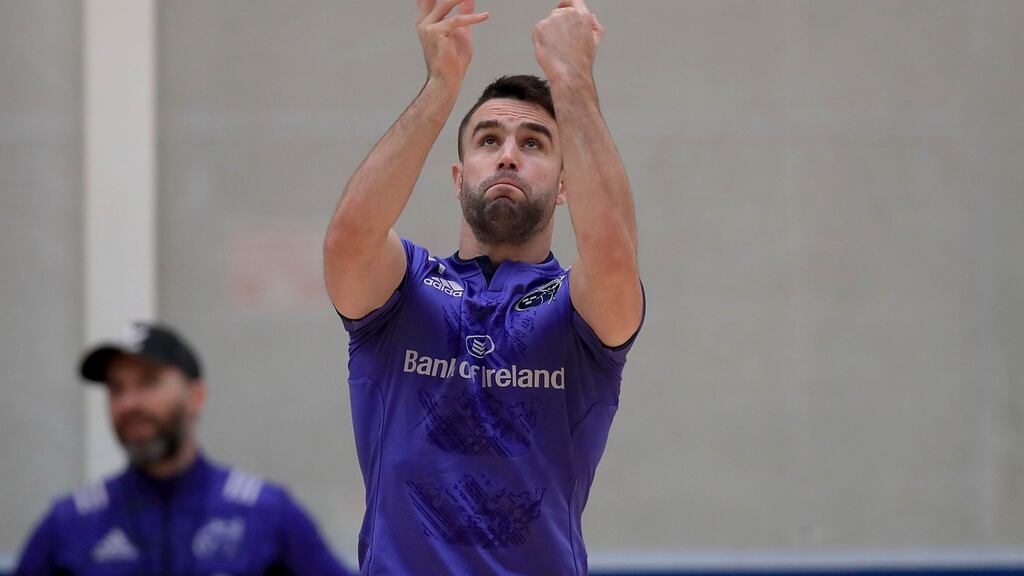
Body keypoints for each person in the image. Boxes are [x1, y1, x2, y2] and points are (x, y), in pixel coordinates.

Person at [324, 0, 644, 573]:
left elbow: (615, 255)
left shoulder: (579, 308)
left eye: (535, 143)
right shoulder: (406, 291)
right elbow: (349, 239)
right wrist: (442, 85)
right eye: (488, 140)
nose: (508, 158)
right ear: (458, 177)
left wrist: (572, 82)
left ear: (566, 186)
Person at [14, 321, 353, 576]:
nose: (129, 403)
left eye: (148, 382)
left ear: (196, 397)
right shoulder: (72, 521)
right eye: (117, 389)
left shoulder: (265, 513)